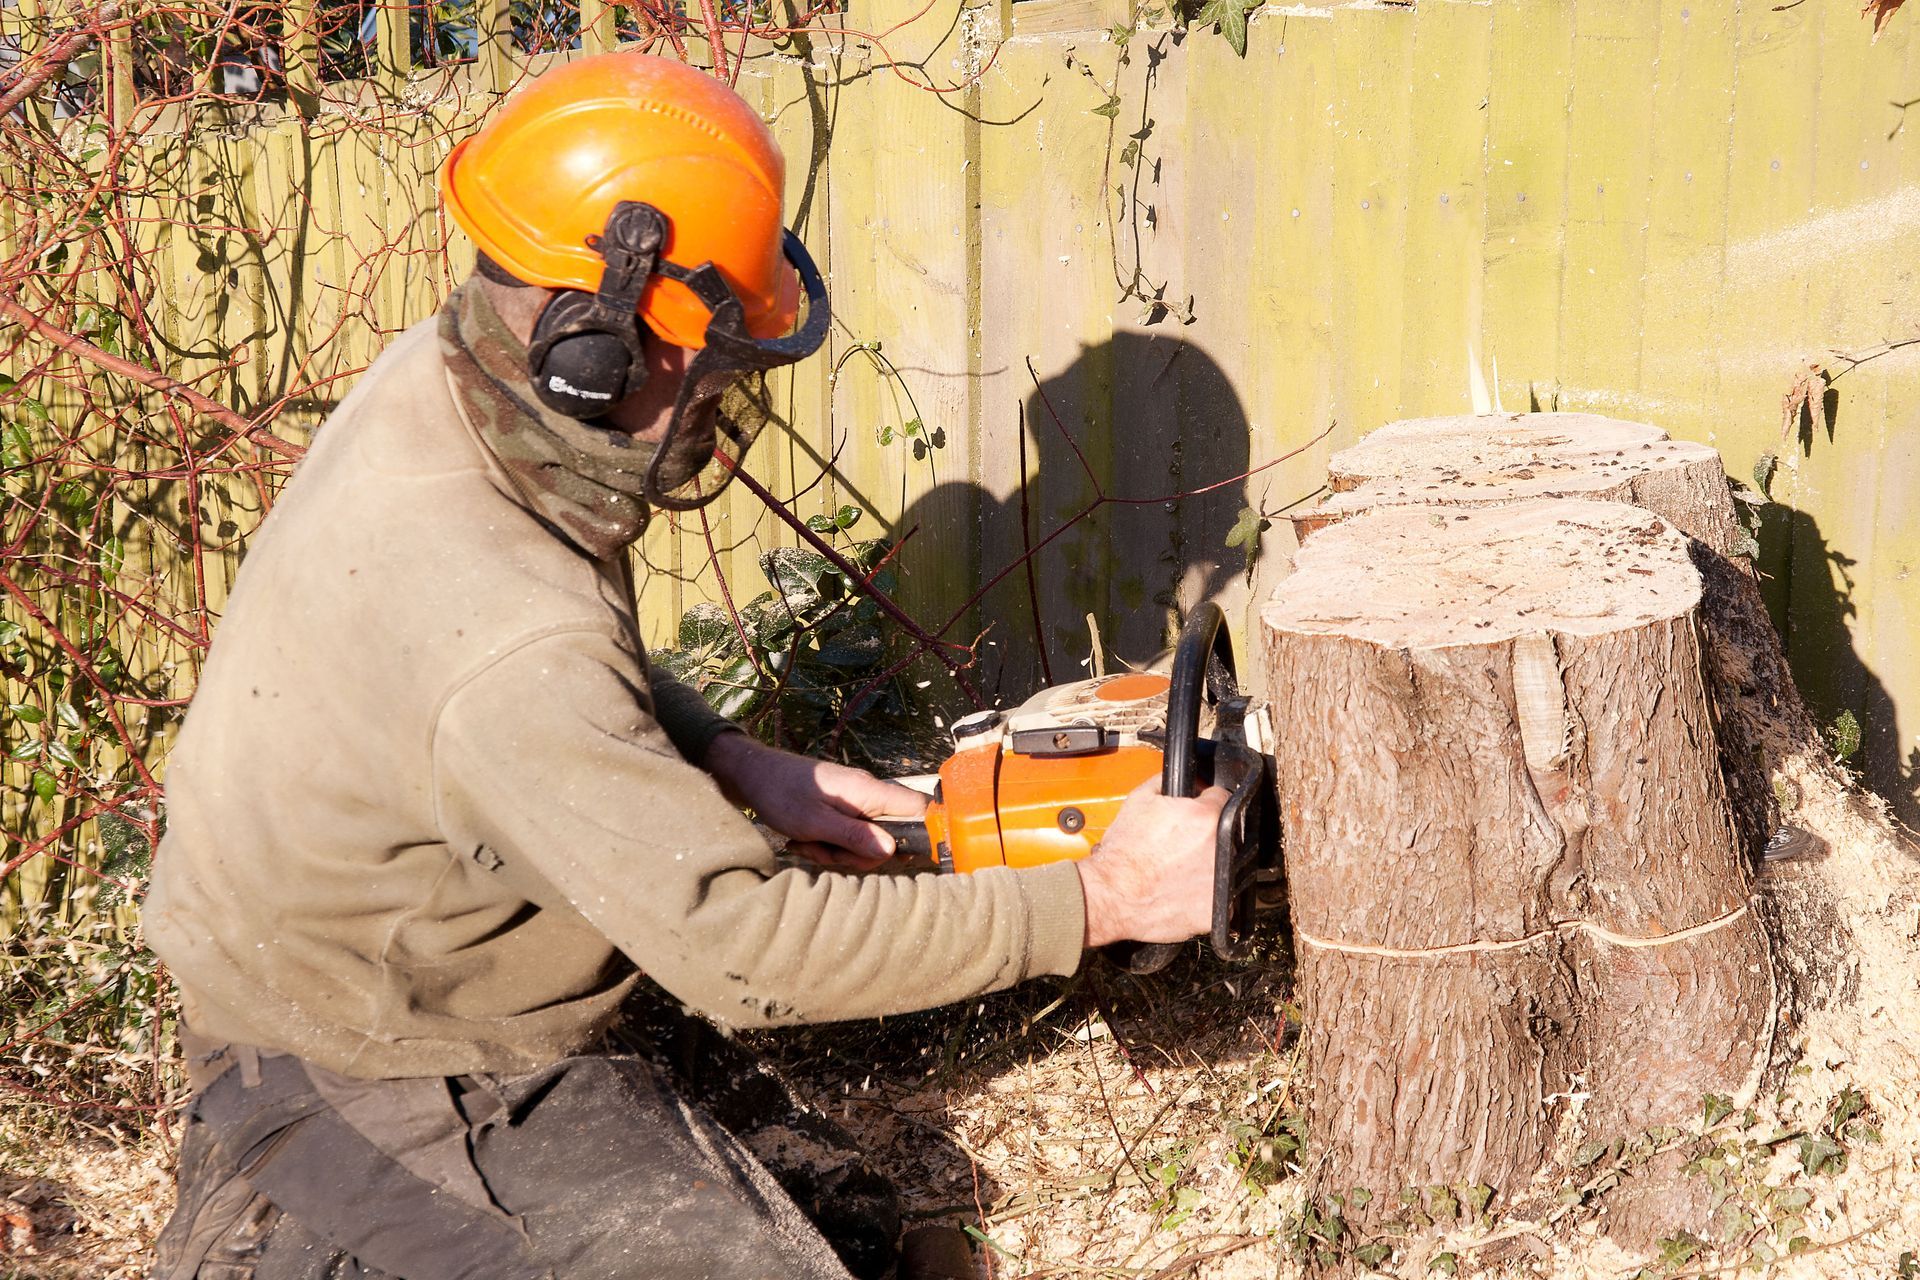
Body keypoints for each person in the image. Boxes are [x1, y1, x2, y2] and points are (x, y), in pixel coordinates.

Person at [145, 51, 1227, 1280]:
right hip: (357, 1057)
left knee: (885, 1239)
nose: (718, 407)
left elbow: (535, 673)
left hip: (444, 960)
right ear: (592, 351)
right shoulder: (503, 624)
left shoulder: (454, 383)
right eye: (711, 371)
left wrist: (728, 755)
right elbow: (746, 947)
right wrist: (1102, 900)